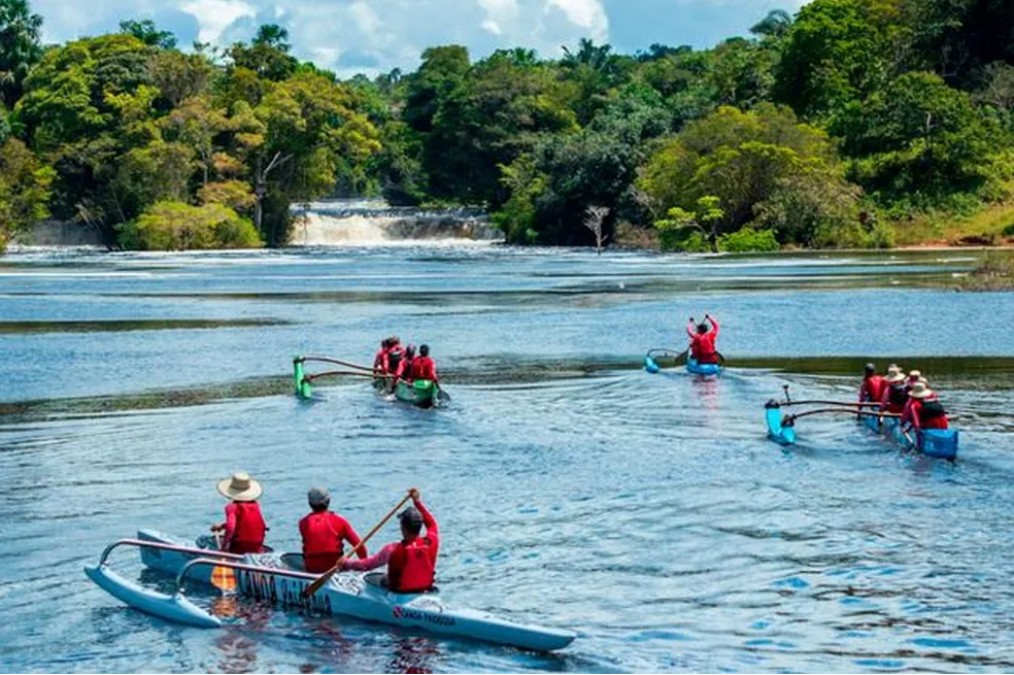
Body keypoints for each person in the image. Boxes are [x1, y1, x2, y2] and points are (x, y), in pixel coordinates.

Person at [341, 488, 439, 593]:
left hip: (399, 591)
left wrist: (346, 563)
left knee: (373, 578)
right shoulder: (432, 542)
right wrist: (417, 502)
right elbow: (431, 524)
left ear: (403, 528)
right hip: (425, 588)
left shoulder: (392, 549)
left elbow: (367, 565)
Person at [298, 487, 367, 573]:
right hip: (335, 566)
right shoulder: (340, 521)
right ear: (328, 501)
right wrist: (364, 568)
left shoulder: (303, 523)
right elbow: (360, 547)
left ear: (309, 503)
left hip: (312, 567)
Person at [211, 472, 267, 553]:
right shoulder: (255, 506)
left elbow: (231, 527)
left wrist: (224, 547)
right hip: (257, 544)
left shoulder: (232, 507)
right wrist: (222, 526)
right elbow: (244, 523)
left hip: (240, 546)